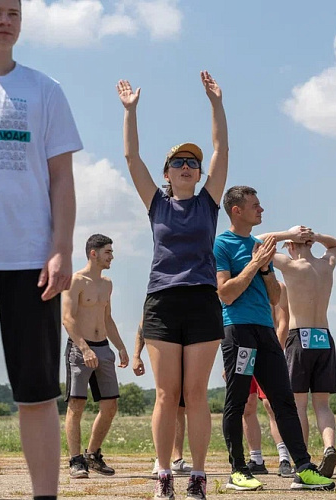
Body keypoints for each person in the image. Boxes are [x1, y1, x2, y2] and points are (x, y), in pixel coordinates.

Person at [0, 1, 83, 498]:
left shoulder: (46, 89)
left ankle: (46, 495)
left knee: (38, 393)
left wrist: (61, 247)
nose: (4, 21)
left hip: (32, 262)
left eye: (13, 13)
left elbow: (62, 179)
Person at [117, 72, 228, 500]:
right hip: (162, 301)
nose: (187, 166)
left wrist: (216, 105)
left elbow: (221, 149)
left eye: (192, 163)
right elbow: (131, 159)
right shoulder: (157, 203)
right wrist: (130, 113)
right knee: (167, 393)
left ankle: (198, 475)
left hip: (202, 300)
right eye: (179, 162)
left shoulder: (208, 202)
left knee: (196, 394)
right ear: (167, 172)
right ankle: (164, 472)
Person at [214, 186, 335, 491]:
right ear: (236, 210)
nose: (262, 209)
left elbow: (276, 295)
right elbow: (225, 294)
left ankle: (304, 468)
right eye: (255, 205)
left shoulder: (260, 244)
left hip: (265, 332)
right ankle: (238, 471)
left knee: (284, 400)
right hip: (238, 330)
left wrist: (266, 270)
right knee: (238, 399)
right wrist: (254, 264)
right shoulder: (222, 245)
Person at [255, 227, 336, 477]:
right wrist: (316, 237)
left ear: (291, 247)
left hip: (300, 335)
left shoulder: (291, 266)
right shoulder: (326, 265)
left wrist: (287, 234)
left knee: (299, 405)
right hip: (323, 336)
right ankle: (329, 447)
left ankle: (301, 461)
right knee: (322, 405)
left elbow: (255, 243)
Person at [62, 235, 128, 479]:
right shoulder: (75, 281)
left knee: (110, 406)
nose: (111, 256)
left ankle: (93, 454)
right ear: (93, 253)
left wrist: (120, 346)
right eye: (108, 252)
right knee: (76, 405)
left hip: (103, 349)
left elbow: (107, 318)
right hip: (80, 350)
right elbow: (67, 319)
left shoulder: (107, 283)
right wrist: (84, 349)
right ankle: (75, 460)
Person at [243, 282, 294, 478]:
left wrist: (276, 353)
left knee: (271, 405)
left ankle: (284, 457)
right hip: (246, 349)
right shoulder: (243, 280)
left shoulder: (277, 285)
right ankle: (256, 459)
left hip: (268, 349)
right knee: (247, 405)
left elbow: (283, 322)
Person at [132, 320, 193, 477]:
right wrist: (136, 354)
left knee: (181, 407)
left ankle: (177, 460)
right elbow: (143, 321)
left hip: (189, 343)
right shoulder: (156, 297)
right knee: (165, 399)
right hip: (165, 344)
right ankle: (161, 459)